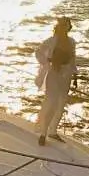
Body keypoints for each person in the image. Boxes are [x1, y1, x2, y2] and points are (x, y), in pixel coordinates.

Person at [34, 17, 79, 145]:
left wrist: (75, 77)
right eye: (63, 25)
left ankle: (53, 131)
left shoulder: (72, 42)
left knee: (61, 102)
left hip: (66, 74)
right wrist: (47, 61)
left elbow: (72, 60)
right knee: (52, 101)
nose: (64, 27)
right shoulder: (52, 40)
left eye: (67, 25)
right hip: (53, 73)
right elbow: (38, 52)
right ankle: (43, 132)